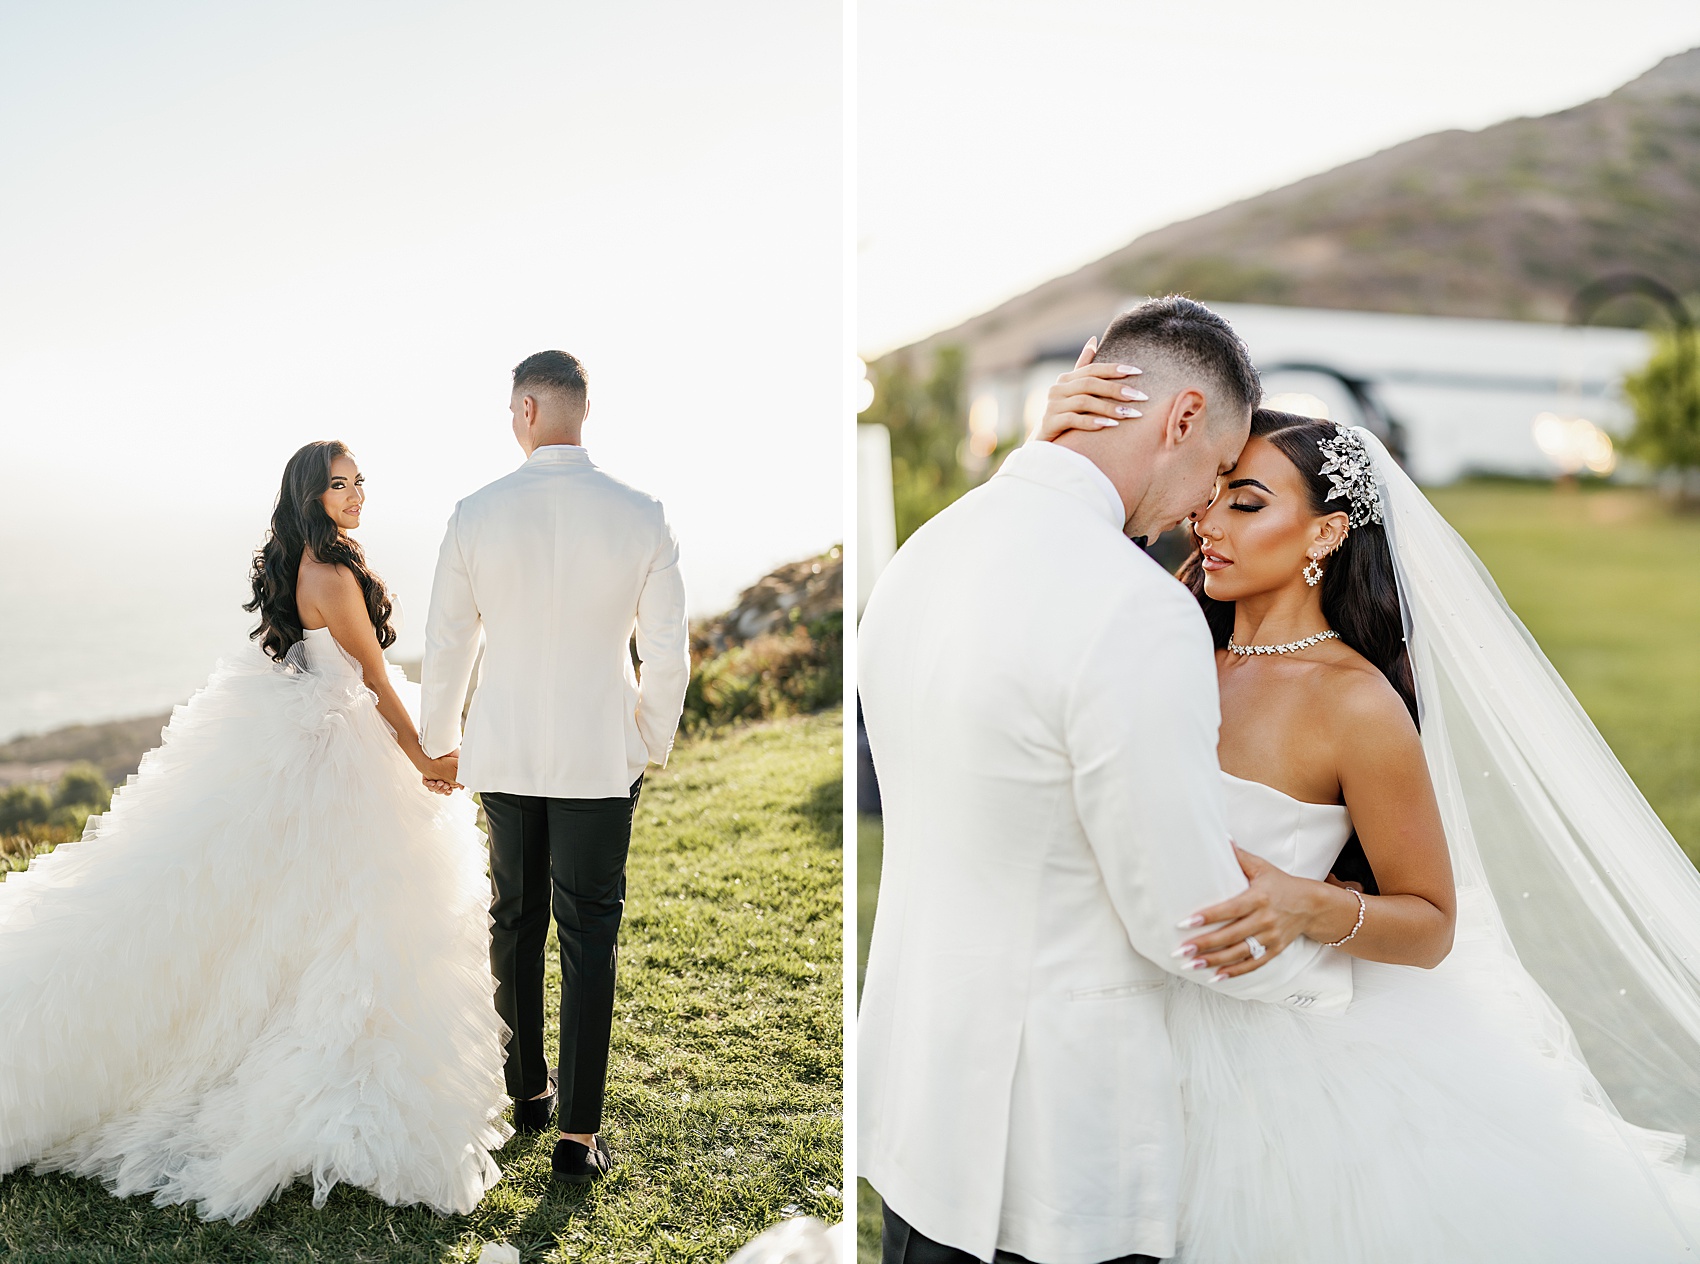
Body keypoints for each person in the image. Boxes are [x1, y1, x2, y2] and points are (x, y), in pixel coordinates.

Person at [1036, 365, 1700, 1259]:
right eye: (1212, 498)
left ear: (1327, 531)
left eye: (1247, 503)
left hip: (1290, 1060)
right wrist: (1054, 444)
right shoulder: (1167, 642)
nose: (1207, 522)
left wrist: (1306, 903)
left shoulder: (1354, 703)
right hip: (1121, 1016)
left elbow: (1430, 924)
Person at [857, 297, 1354, 1264]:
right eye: (1214, 473)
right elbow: (1185, 919)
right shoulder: (1133, 611)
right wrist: (1330, 973)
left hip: (919, 1115)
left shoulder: (927, 554)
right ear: (1181, 419)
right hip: (1051, 1159)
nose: (1198, 513)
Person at [0, 440, 511, 1222]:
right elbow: (374, 680)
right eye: (340, 485)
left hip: (311, 739)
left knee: (293, 918)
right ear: (311, 494)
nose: (357, 493)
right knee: (352, 916)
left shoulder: (297, 563)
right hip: (346, 750)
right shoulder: (334, 573)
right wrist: (425, 761)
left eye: (360, 481)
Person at [420, 350, 690, 1185]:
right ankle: (576, 1136)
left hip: (504, 749)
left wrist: (439, 739)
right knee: (588, 935)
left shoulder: (476, 512)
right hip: (596, 757)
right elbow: (668, 653)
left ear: (530, 409)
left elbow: (448, 639)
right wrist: (649, 737)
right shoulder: (640, 513)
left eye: (511, 412)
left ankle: (526, 1092)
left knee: (514, 920)